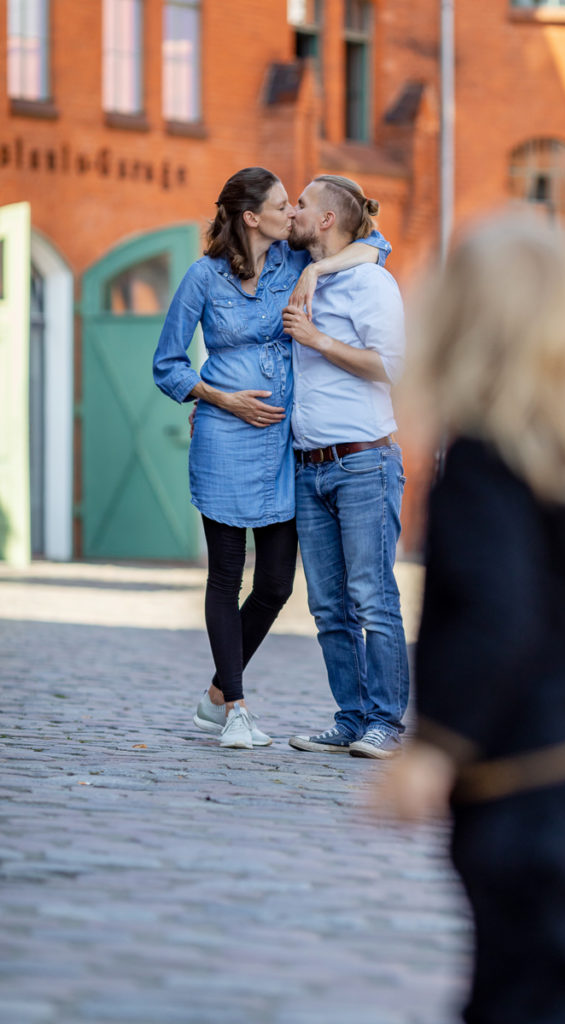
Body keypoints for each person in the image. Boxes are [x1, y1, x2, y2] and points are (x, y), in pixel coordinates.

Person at [373, 211, 565, 1022]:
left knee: (525, 1000)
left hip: (519, 792)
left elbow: (495, 614)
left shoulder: (482, 465)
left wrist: (434, 748)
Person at [153, 167, 389, 750]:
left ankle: (213, 695)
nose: (292, 212)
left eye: (294, 204)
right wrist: (217, 397)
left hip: (284, 447)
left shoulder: (293, 261)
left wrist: (316, 266)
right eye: (282, 205)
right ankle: (235, 708)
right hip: (224, 438)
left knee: (278, 585)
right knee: (226, 577)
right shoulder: (202, 279)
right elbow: (168, 364)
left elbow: (374, 242)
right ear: (251, 217)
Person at [282, 175, 410, 760]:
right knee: (327, 605)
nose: (293, 213)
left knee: (372, 596)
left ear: (328, 219)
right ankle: (351, 718)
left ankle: (386, 722)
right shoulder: (298, 266)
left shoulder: (372, 283)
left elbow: (393, 368)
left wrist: (317, 339)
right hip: (309, 468)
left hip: (364, 463)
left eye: (302, 205)